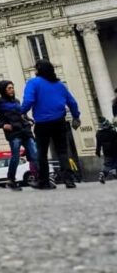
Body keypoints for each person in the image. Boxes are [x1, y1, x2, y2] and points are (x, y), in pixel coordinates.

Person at [21, 60, 81, 189]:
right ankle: (69, 180)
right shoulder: (59, 85)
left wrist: (22, 112)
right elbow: (72, 102)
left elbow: (29, 100)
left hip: (42, 124)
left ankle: (44, 182)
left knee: (42, 153)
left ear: (38, 70)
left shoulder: (33, 83)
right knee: (63, 151)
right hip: (59, 122)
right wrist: (76, 116)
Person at [0, 80, 39, 190]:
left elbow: (22, 114)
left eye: (12, 87)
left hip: (25, 131)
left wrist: (29, 120)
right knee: (15, 157)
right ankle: (11, 180)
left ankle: (41, 179)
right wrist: (3, 125)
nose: (12, 90)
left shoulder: (17, 101)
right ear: (3, 90)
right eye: (9, 88)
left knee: (34, 154)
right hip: (14, 134)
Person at [96, 119, 117, 183]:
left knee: (107, 164)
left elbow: (98, 144)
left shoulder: (98, 134)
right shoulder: (112, 132)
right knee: (115, 161)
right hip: (115, 150)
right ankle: (114, 170)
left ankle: (102, 173)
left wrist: (98, 151)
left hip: (106, 151)